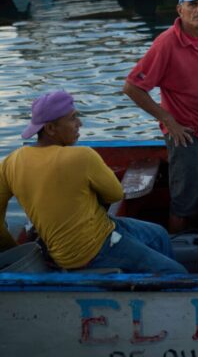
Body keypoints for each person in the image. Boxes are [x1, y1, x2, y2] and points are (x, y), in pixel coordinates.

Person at [0, 91, 185, 273]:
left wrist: (13, 250)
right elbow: (115, 194)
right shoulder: (82, 156)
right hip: (93, 250)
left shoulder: (11, 161)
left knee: (159, 234)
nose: (79, 124)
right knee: (176, 273)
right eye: (73, 118)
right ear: (50, 128)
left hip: (97, 230)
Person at [123, 0, 198, 234]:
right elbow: (132, 87)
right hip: (185, 133)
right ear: (180, 10)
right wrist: (168, 120)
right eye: (193, 5)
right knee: (184, 203)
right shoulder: (166, 43)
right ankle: (177, 246)